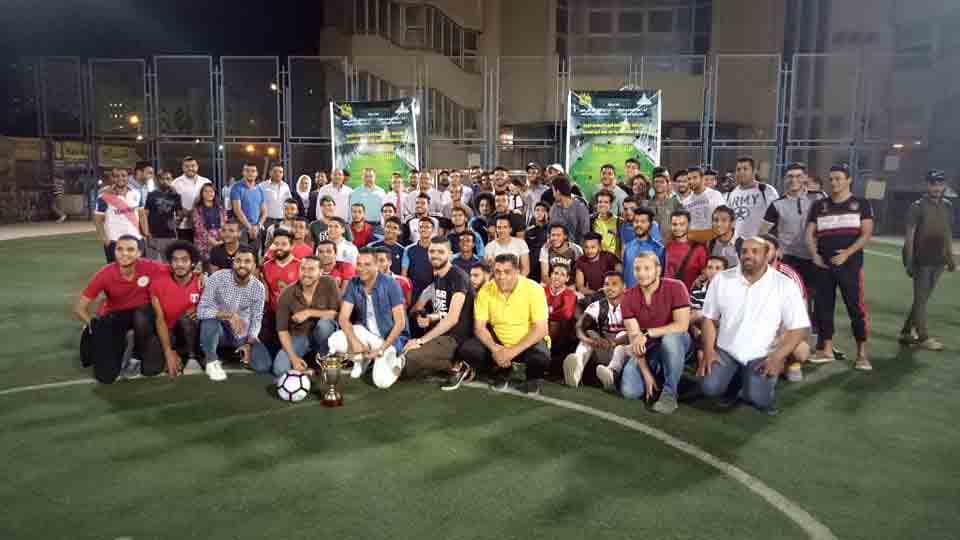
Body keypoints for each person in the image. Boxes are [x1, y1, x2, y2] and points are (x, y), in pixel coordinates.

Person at [698, 238, 810, 412]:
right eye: (744, 251)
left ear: (767, 255)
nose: (748, 255)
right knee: (709, 387)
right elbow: (709, 319)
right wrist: (709, 351)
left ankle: (752, 386)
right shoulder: (722, 279)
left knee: (759, 399)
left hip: (763, 354)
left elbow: (799, 328)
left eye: (755, 251)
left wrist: (777, 357)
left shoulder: (785, 284)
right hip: (727, 351)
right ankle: (735, 381)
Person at [805, 163, 874, 370]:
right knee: (824, 306)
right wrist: (815, 255)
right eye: (832, 179)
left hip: (850, 265)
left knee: (855, 307)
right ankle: (826, 349)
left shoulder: (861, 203)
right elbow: (809, 233)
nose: (834, 182)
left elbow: (866, 233)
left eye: (838, 178)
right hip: (824, 265)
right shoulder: (819, 205)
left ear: (848, 180)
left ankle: (862, 354)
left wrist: (847, 253)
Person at [74, 235, 166, 383]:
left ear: (139, 253)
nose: (124, 253)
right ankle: (121, 346)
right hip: (116, 315)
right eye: (120, 249)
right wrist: (92, 324)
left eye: (130, 249)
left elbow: (178, 271)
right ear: (114, 252)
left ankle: (136, 354)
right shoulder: (105, 273)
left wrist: (199, 275)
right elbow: (79, 308)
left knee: (141, 316)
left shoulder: (150, 266)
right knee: (105, 377)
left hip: (143, 314)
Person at [458, 254, 551, 394]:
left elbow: (541, 329)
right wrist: (496, 350)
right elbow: (479, 327)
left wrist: (511, 352)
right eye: (497, 272)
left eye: (507, 272)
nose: (501, 277)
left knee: (540, 357)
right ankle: (501, 369)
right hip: (499, 341)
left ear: (517, 272)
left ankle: (532, 378)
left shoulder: (534, 289)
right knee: (469, 350)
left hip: (526, 342)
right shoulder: (486, 290)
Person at [619, 252, 692, 414]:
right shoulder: (628, 298)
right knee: (630, 391)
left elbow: (682, 325)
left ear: (658, 270)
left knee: (670, 339)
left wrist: (649, 333)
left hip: (677, 341)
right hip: (649, 348)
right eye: (637, 269)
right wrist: (646, 375)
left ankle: (669, 394)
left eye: (647, 268)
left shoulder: (676, 287)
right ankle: (661, 375)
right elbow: (635, 339)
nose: (642, 273)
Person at [400, 237, 475, 388]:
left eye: (441, 251)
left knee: (409, 359)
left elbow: (453, 318)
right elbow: (443, 312)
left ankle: (458, 367)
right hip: (441, 332)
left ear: (450, 254)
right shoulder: (439, 277)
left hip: (455, 337)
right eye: (432, 251)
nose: (435, 255)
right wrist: (430, 318)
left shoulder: (458, 277)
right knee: (404, 354)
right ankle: (454, 364)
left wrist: (421, 341)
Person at [328, 248, 409, 387]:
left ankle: (398, 360)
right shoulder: (354, 283)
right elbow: (343, 318)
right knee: (334, 341)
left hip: (389, 338)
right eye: (359, 264)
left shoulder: (390, 284)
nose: (362, 269)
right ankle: (361, 360)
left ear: (377, 265)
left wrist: (382, 348)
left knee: (381, 382)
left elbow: (400, 324)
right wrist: (355, 342)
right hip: (366, 332)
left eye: (367, 264)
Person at [900, 170, 957, 349]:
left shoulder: (947, 205)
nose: (937, 187)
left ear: (944, 186)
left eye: (940, 184)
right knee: (921, 299)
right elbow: (909, 236)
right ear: (927, 185)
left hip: (939, 260)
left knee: (922, 299)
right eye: (933, 184)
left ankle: (906, 332)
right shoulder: (917, 206)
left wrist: (950, 257)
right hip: (921, 260)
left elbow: (947, 233)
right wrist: (909, 262)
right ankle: (923, 337)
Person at [197, 246, 272, 381]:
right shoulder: (217, 277)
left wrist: (249, 342)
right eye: (238, 260)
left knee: (263, 365)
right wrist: (229, 315)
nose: (242, 265)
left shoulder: (258, 288)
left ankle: (235, 353)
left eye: (247, 261)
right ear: (233, 263)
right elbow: (201, 310)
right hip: (219, 330)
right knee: (209, 322)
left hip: (241, 333)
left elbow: (256, 319)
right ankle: (211, 359)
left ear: (254, 265)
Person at [761, 162, 824, 300]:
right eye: (790, 176)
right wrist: (775, 249)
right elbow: (763, 233)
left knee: (816, 298)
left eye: (798, 176)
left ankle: (811, 322)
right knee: (789, 297)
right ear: (784, 178)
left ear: (805, 178)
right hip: (789, 258)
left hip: (814, 256)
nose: (794, 180)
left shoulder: (819, 198)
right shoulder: (777, 205)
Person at [145, 241, 204, 377]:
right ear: (170, 263)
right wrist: (168, 352)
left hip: (192, 333)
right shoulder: (158, 284)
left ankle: (192, 357)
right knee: (150, 369)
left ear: (192, 263)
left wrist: (200, 310)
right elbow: (159, 320)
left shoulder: (202, 283)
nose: (179, 264)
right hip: (168, 333)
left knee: (187, 317)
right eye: (175, 260)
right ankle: (176, 353)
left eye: (184, 260)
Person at [274, 256, 341, 374]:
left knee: (324, 325)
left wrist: (309, 312)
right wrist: (293, 358)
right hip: (300, 336)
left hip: (323, 335)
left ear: (321, 272)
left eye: (311, 269)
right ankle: (305, 370)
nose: (306, 273)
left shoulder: (329, 283)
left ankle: (323, 360)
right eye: (303, 268)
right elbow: (282, 331)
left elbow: (336, 314)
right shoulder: (287, 294)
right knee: (280, 368)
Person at [566, 272, 629, 389]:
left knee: (623, 335)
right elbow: (579, 327)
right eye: (606, 284)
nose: (610, 287)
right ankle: (576, 370)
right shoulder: (597, 306)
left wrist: (614, 342)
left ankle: (611, 374)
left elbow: (636, 333)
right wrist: (591, 341)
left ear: (624, 287)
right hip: (605, 349)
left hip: (627, 353)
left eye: (614, 284)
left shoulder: (632, 305)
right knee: (589, 334)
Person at [95, 167, 144, 263]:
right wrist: (105, 239)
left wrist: (144, 235)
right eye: (117, 176)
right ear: (112, 178)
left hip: (135, 240)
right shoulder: (104, 197)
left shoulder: (136, 193)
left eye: (123, 175)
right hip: (114, 241)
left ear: (128, 177)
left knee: (138, 271)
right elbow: (97, 220)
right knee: (115, 273)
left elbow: (142, 215)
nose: (120, 178)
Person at [726, 156, 778, 239]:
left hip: (758, 244)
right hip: (734, 244)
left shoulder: (766, 190)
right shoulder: (731, 193)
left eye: (745, 169)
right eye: (738, 169)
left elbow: (775, 217)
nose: (741, 172)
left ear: (754, 171)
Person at [664, 209, 708, 292]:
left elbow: (706, 273)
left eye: (682, 224)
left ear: (688, 225)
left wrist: (700, 279)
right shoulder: (667, 246)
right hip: (669, 295)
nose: (678, 228)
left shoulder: (699, 249)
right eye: (674, 224)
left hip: (690, 297)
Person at [142, 168, 180, 261]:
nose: (165, 181)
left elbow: (179, 214)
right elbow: (145, 214)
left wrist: (176, 222)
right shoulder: (151, 194)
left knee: (168, 264)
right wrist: (147, 234)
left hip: (170, 235)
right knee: (152, 263)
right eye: (163, 179)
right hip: (153, 234)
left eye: (168, 179)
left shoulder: (176, 196)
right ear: (158, 180)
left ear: (172, 180)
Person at [681, 166, 725, 244]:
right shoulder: (685, 202)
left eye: (695, 178)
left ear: (702, 178)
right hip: (693, 243)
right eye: (689, 179)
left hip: (712, 240)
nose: (691, 181)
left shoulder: (715, 195)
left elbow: (724, 218)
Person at [622, 207, 665, 288]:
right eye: (636, 221)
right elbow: (624, 274)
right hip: (630, 296)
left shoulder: (659, 249)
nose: (639, 224)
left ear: (650, 224)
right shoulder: (627, 247)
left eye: (643, 222)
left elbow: (661, 278)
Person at [172, 156, 212, 242]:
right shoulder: (176, 183)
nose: (190, 168)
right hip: (183, 226)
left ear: (197, 167)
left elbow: (212, 201)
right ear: (182, 168)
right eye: (187, 166)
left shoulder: (206, 181)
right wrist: (184, 213)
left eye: (193, 166)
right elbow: (172, 204)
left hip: (204, 225)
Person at [230, 162, 267, 249]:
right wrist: (249, 227)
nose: (250, 173)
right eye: (247, 171)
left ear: (257, 173)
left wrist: (258, 226)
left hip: (257, 228)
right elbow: (237, 210)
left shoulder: (259, 189)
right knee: (242, 254)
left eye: (253, 171)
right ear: (243, 172)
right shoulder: (236, 188)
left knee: (256, 257)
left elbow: (264, 211)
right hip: (242, 228)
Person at [544, 264, 577, 357]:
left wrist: (546, 314)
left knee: (555, 322)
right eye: (555, 273)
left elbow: (566, 314)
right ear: (551, 275)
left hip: (560, 334)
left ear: (567, 279)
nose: (557, 277)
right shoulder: (541, 290)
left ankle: (547, 349)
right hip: (541, 326)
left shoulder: (570, 294)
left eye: (562, 275)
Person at [575, 232, 621, 299]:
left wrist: (609, 288)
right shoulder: (581, 261)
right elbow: (580, 287)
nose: (589, 250)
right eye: (586, 247)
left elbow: (620, 273)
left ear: (599, 247)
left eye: (593, 247)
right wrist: (597, 293)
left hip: (613, 291)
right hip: (595, 295)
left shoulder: (609, 257)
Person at [402, 218, 437, 301]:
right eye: (421, 227)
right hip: (414, 292)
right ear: (418, 229)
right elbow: (404, 274)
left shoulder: (437, 249)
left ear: (432, 230)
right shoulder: (408, 249)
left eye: (427, 227)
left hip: (433, 292)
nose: (424, 229)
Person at [549, 175, 591, 244]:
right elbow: (551, 230)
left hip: (577, 250)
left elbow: (585, 233)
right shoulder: (554, 208)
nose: (553, 195)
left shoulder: (580, 207)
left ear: (558, 192)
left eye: (553, 191)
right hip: (557, 250)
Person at [192, 183, 228, 261]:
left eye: (211, 191)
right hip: (203, 242)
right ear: (202, 193)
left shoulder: (220, 207)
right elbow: (199, 228)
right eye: (206, 191)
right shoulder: (197, 209)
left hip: (220, 241)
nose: (209, 193)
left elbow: (225, 224)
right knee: (205, 266)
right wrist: (212, 241)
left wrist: (221, 240)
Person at [648, 168, 682, 235]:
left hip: (670, 240)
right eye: (656, 182)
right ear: (653, 184)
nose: (659, 184)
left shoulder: (675, 202)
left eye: (662, 182)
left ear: (667, 184)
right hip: (652, 242)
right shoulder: (647, 204)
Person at [259, 163, 292, 229]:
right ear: (270, 173)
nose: (278, 174)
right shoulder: (262, 186)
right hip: (267, 221)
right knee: (267, 239)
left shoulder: (285, 186)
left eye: (280, 172)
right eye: (275, 171)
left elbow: (290, 203)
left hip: (282, 220)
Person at [524, 201, 551, 283]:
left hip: (546, 265)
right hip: (531, 266)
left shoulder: (551, 230)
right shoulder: (529, 230)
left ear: (547, 213)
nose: (539, 213)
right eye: (537, 210)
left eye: (543, 210)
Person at [592, 190, 621, 256]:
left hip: (614, 260)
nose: (602, 204)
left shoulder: (619, 222)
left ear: (610, 205)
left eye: (606, 202)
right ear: (596, 204)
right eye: (600, 202)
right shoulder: (591, 220)